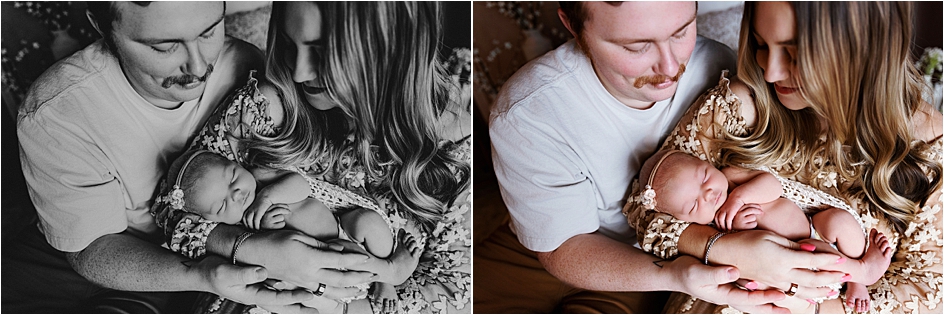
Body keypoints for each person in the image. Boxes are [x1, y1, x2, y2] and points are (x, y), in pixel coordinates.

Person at [478, 1, 849, 313]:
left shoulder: (719, 71)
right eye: (636, 47)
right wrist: (676, 272)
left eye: (681, 31)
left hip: (649, 264)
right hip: (550, 247)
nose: (670, 67)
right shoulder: (531, 112)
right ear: (572, 25)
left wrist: (680, 271)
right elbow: (561, 247)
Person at [7, 2, 341, 313]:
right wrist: (207, 272)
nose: (198, 66)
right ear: (102, 27)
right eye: (164, 46)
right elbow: (90, 249)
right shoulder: (58, 113)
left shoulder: (243, 66)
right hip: (107, 254)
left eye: (209, 31)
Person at [153, 2, 472, 313]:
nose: (300, 71)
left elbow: (457, 290)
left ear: (387, 46)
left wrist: (333, 306)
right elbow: (175, 204)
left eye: (322, 51)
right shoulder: (268, 107)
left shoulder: (453, 144)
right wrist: (250, 247)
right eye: (292, 45)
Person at [626, 2, 943, 313]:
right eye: (761, 44)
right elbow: (647, 204)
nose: (771, 70)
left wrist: (809, 305)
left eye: (793, 53)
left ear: (861, 48)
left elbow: (929, 289)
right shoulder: (742, 104)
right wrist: (725, 249)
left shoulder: (927, 140)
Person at [156, 149, 421, 313]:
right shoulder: (236, 230)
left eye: (233, 177)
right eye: (223, 204)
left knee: (368, 221)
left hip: (343, 230)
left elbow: (301, 185)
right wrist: (268, 231)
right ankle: (378, 281)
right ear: (209, 219)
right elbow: (270, 259)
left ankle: (388, 276)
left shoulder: (262, 177)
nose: (236, 194)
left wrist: (269, 197)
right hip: (319, 271)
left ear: (235, 164)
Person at [636, 149, 894, 313]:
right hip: (796, 265)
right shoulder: (707, 229)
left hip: (815, 227)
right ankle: (860, 272)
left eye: (704, 178)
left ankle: (856, 281)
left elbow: (772, 185)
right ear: (683, 219)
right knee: (812, 253)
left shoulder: (732, 177)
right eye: (694, 204)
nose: (709, 194)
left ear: (704, 163)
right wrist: (736, 231)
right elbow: (736, 257)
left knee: (839, 220)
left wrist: (739, 197)